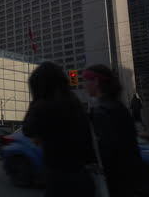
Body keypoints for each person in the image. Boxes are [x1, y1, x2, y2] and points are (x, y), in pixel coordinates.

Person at [23, 62, 95, 197]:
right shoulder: (75, 103)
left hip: (59, 178)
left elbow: (27, 129)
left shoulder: (43, 107)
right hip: (83, 176)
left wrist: (36, 99)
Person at [83, 64, 143, 197]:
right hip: (130, 179)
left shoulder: (102, 112)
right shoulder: (118, 106)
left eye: (86, 79)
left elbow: (108, 151)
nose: (84, 84)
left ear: (96, 81)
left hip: (115, 182)